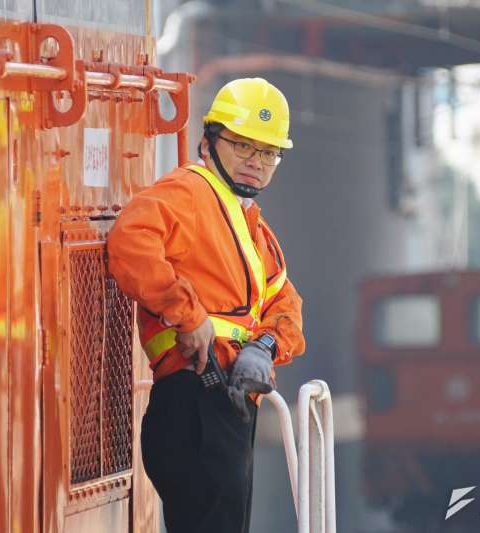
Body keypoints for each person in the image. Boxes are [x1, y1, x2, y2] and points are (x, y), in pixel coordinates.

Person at [107, 77, 305, 533]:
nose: (257, 162)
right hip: (195, 392)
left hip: (229, 397)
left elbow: (285, 302)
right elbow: (130, 242)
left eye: (269, 153)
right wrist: (187, 314)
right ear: (209, 140)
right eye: (243, 146)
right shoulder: (188, 193)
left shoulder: (250, 225)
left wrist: (266, 345)